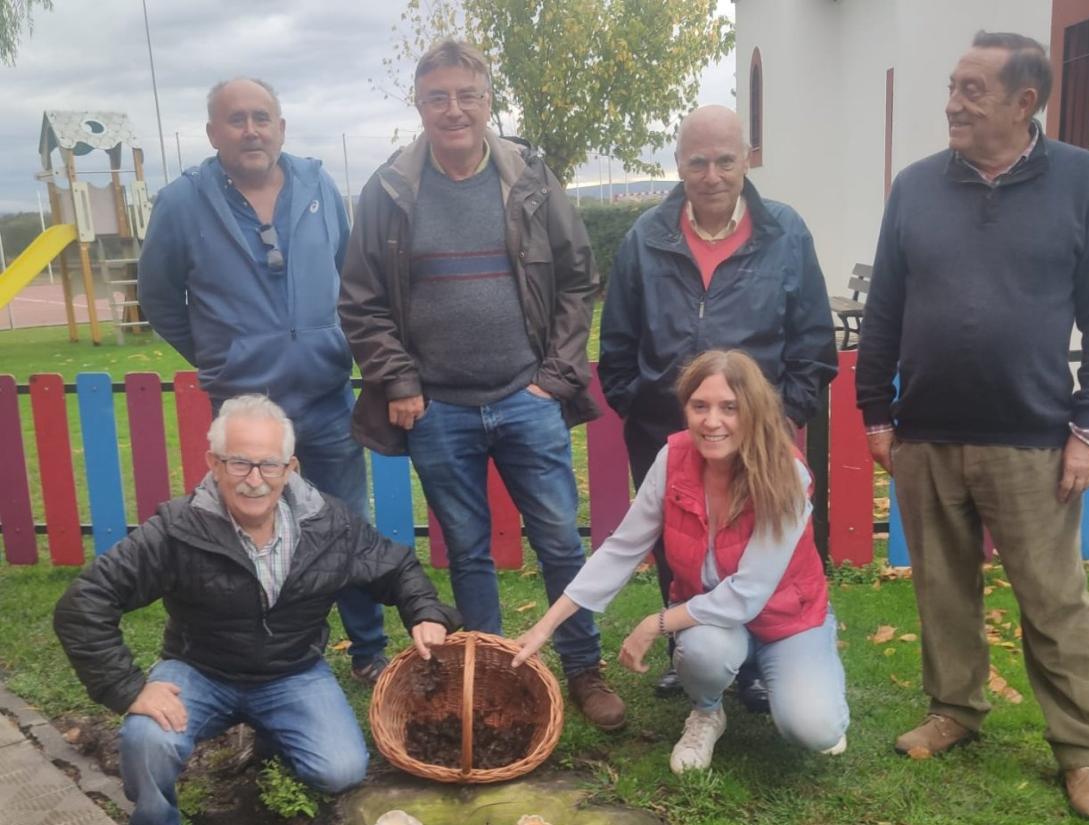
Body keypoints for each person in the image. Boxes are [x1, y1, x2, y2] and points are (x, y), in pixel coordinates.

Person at [855, 31, 1089, 823]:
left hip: (1034, 437)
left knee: (1054, 600)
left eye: (973, 90)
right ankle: (956, 709)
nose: (952, 103)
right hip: (928, 433)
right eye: (952, 86)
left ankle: (1086, 752)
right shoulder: (914, 188)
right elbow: (885, 310)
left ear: (1025, 102)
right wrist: (876, 410)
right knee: (944, 591)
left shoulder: (1083, 181)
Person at [53, 396, 461, 825]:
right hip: (200, 669)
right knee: (145, 739)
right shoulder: (178, 530)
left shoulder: (329, 524)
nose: (254, 478)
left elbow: (395, 566)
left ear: (290, 467)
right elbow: (83, 602)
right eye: (239, 461)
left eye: (269, 463)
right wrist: (128, 687)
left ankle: (270, 729)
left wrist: (424, 612)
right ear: (213, 464)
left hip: (292, 671)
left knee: (341, 771)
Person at [338, 40, 622, 731]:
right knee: (467, 551)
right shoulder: (390, 190)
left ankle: (583, 668)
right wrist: (400, 379)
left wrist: (556, 376)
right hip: (438, 411)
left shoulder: (528, 175)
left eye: (467, 95)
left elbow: (577, 276)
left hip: (526, 399)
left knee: (559, 539)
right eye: (438, 96)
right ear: (420, 104)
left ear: (488, 100)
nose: (453, 109)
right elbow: (361, 299)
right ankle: (497, 681)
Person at [138, 77, 390, 684]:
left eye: (261, 117)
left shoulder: (317, 186)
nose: (250, 130)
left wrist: (332, 341)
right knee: (248, 531)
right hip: (247, 411)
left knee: (344, 525)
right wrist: (220, 354)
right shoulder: (181, 203)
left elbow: (349, 275)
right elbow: (159, 297)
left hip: (327, 398)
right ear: (212, 133)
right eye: (236, 120)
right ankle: (267, 655)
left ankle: (369, 651)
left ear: (280, 126)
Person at [598, 104, 837, 705]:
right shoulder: (644, 240)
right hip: (665, 433)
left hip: (758, 436)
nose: (711, 174)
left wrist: (782, 421)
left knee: (755, 545)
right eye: (697, 161)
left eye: (725, 160)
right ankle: (688, 652)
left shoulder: (785, 234)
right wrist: (645, 410)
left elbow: (813, 343)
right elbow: (618, 343)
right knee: (674, 545)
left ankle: (757, 661)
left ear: (747, 159)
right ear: (678, 163)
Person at [513, 350, 849, 774]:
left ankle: (807, 671)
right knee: (703, 649)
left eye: (730, 408)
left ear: (754, 410)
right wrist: (545, 626)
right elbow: (622, 548)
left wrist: (655, 623)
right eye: (700, 406)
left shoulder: (787, 473)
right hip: (715, 623)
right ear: (685, 407)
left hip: (788, 618)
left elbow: (747, 593)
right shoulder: (673, 459)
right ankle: (708, 712)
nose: (712, 422)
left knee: (815, 731)